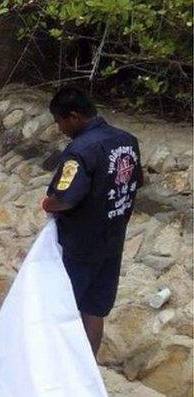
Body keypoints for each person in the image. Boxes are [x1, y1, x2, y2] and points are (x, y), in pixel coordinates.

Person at [40, 87, 142, 356]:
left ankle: (62, 371)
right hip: (113, 241)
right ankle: (88, 373)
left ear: (73, 116)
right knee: (95, 310)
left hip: (80, 246)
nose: (59, 128)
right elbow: (132, 184)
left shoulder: (81, 150)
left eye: (59, 121)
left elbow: (64, 198)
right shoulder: (127, 141)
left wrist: (46, 203)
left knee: (64, 308)